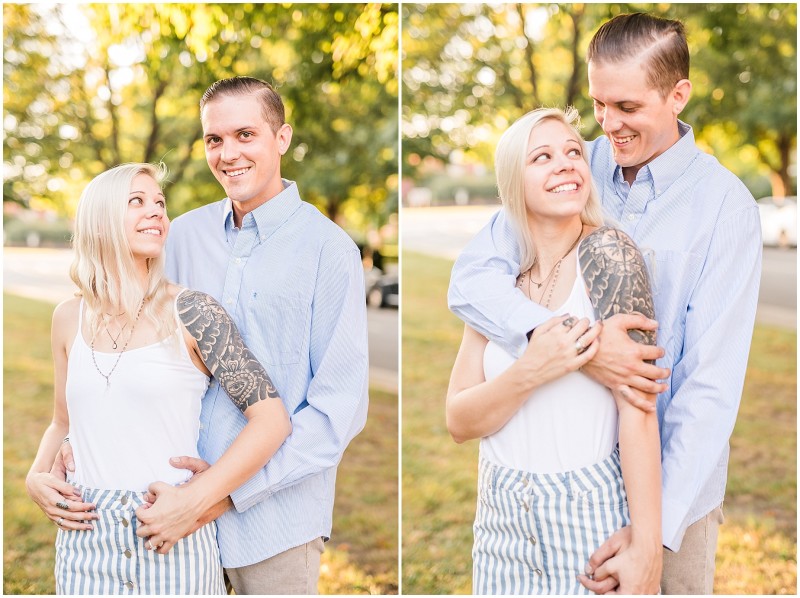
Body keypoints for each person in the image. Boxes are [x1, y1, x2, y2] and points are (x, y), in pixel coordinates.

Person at [448, 13, 762, 595]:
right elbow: (471, 280)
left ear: (678, 95)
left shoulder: (726, 208)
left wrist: (653, 535)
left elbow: (709, 389)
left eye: (627, 107)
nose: (608, 125)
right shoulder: (573, 165)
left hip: (673, 485)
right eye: (598, 105)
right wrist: (573, 347)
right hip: (571, 475)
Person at [29, 77, 370, 594]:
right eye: (214, 139)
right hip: (160, 511)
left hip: (272, 523)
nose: (228, 153)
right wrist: (74, 443)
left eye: (245, 135)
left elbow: (336, 412)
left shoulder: (329, 251)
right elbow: (133, 353)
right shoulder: (178, 233)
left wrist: (215, 495)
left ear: (281, 138)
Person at [25, 162, 292, 594]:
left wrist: (199, 496)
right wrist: (36, 476)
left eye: (160, 203)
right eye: (137, 201)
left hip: (170, 533)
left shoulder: (194, 312)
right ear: (100, 219)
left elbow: (272, 420)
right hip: (84, 541)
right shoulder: (67, 318)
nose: (156, 212)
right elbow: (62, 422)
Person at [447, 106, 662, 595]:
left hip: (586, 518)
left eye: (573, 152)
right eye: (541, 157)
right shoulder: (497, 286)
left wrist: (647, 548)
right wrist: (533, 369)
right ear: (512, 185)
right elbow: (459, 421)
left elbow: (639, 407)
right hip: (499, 521)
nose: (566, 163)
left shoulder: (609, 256)